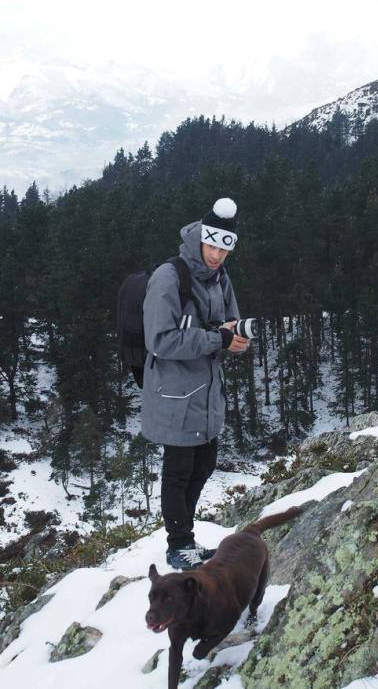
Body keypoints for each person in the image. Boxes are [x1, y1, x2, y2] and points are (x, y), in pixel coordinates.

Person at [141, 197, 248, 569]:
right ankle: (178, 543)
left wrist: (235, 339)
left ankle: (185, 536)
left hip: (206, 393)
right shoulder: (169, 277)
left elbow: (228, 324)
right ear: (201, 237)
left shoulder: (220, 279)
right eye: (212, 245)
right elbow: (160, 340)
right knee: (178, 470)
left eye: (224, 248)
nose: (217, 255)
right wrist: (216, 339)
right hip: (172, 393)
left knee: (204, 465)